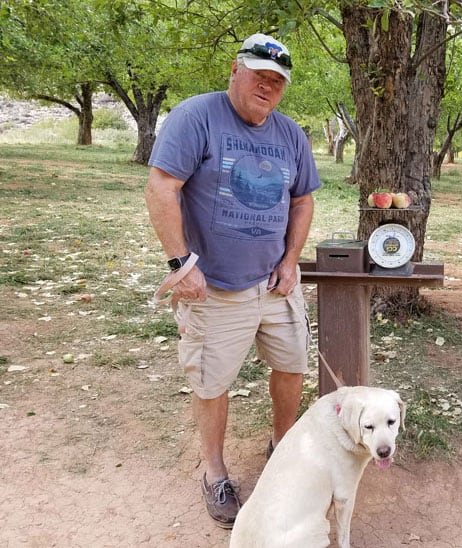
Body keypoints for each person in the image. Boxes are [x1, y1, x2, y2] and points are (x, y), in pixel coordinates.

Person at [144, 33, 321, 529]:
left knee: (292, 366)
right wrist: (181, 263)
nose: (268, 88)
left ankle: (282, 448)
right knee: (212, 381)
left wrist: (291, 261)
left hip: (274, 283)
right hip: (215, 286)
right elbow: (162, 186)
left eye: (277, 82)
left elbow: (304, 199)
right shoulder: (195, 116)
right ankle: (215, 472)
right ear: (235, 70)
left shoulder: (290, 135)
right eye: (260, 76)